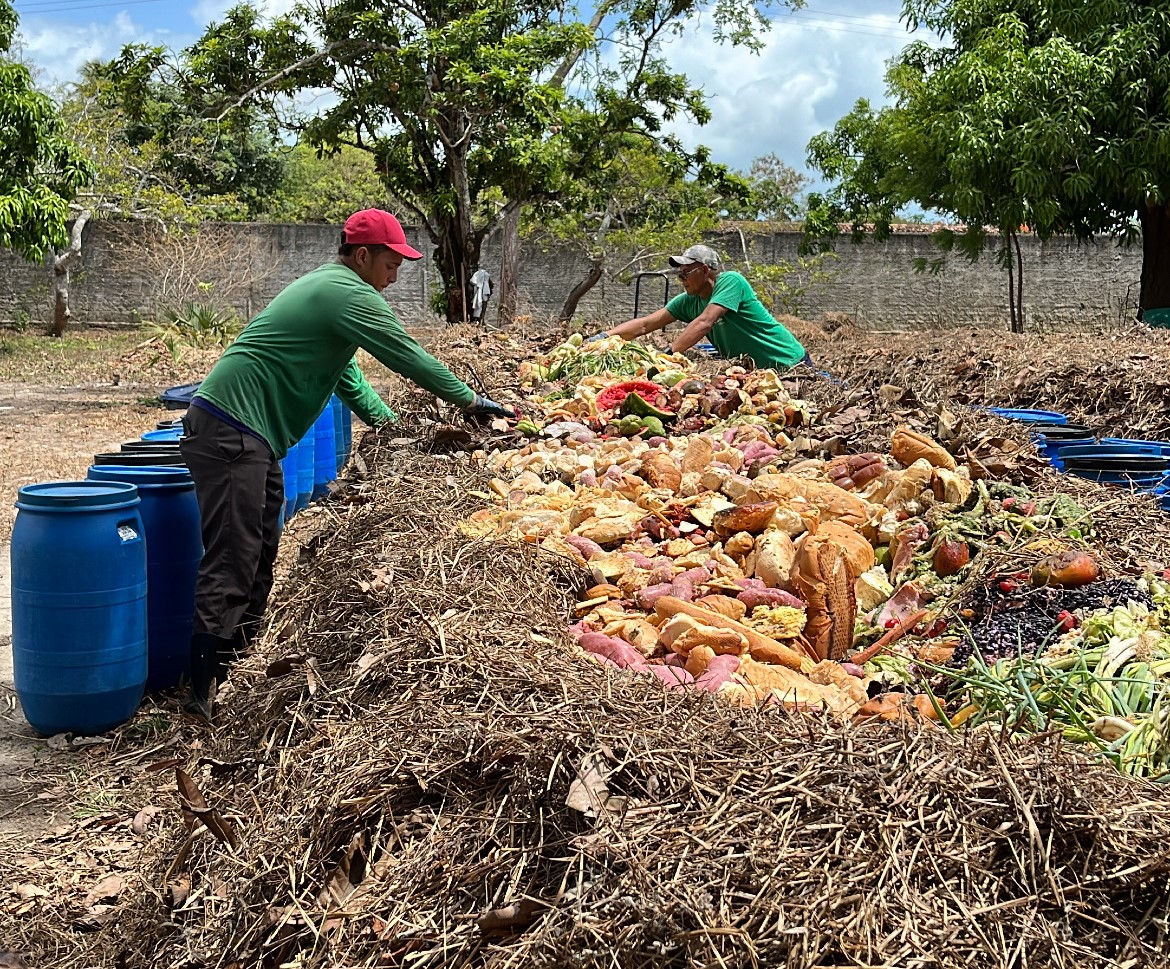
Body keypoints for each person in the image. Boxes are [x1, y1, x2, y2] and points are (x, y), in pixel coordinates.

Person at [178, 209, 515, 720]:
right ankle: (198, 691)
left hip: (249, 436)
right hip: (232, 430)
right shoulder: (348, 293)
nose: (396, 274)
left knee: (262, 549)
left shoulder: (330, 290)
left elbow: (349, 380)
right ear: (363, 256)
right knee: (234, 557)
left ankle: (233, 671)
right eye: (391, 263)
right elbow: (404, 352)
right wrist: (470, 400)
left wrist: (391, 425)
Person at [592, 244, 812, 370]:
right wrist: (601, 338)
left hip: (789, 363)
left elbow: (705, 322)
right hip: (758, 372)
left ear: (705, 270)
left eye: (686, 273)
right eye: (679, 275)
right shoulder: (689, 301)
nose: (682, 279)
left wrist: (666, 355)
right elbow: (645, 324)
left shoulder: (731, 282)